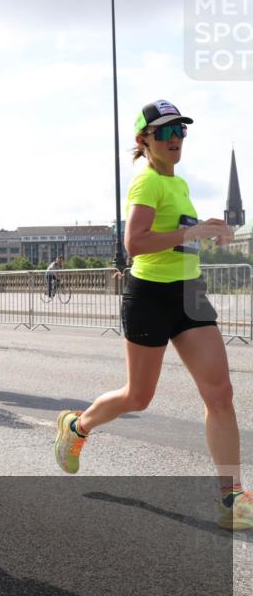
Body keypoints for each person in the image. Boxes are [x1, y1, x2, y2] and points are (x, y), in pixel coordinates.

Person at [54, 100, 250, 531]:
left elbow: (178, 239)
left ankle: (231, 496)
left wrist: (208, 232)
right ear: (144, 141)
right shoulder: (146, 184)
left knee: (220, 394)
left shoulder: (178, 185)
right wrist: (190, 231)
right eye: (165, 132)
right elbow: (135, 243)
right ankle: (77, 426)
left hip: (190, 294)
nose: (175, 139)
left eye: (181, 130)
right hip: (151, 296)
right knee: (138, 396)